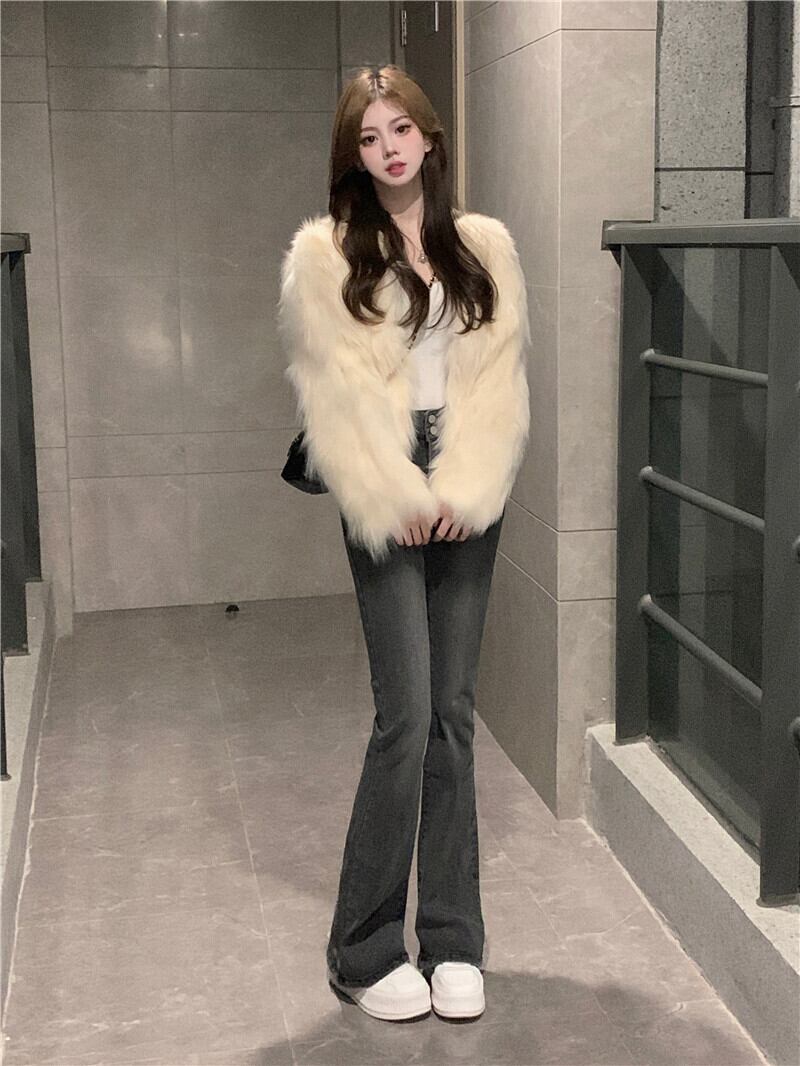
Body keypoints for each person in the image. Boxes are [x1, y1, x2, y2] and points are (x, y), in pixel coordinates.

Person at [278, 65, 531, 1023]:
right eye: (368, 136)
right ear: (353, 155)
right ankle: (364, 947)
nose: (388, 148)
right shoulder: (325, 254)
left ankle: (455, 939)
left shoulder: (484, 246)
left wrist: (466, 483)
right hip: (381, 475)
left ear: (429, 137)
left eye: (400, 130)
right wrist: (397, 490)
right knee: (406, 714)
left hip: (466, 474)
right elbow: (335, 394)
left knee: (453, 715)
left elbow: (500, 380)